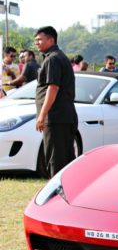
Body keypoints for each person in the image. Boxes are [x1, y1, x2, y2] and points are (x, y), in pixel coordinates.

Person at [34, 26, 78, 178]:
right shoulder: (58, 56)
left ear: (51, 39)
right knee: (64, 159)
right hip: (63, 116)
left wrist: (42, 114)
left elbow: (53, 88)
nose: (37, 43)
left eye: (40, 39)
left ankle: (56, 198)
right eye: (36, 40)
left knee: (55, 160)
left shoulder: (53, 59)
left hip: (56, 117)